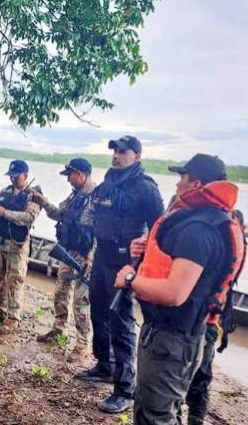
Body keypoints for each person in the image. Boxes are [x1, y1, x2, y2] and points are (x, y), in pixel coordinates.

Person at [116, 153, 245, 424]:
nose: (177, 185)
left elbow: (175, 294)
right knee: (157, 410)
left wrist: (130, 280)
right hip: (172, 335)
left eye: (181, 177)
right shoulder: (206, 221)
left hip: (173, 339)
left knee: (156, 416)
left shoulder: (199, 230)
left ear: (196, 184)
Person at [75, 135, 164, 414]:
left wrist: (141, 263)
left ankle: (125, 389)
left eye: (123, 152)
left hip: (125, 261)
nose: (116, 155)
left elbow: (160, 230)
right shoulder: (107, 183)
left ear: (136, 156)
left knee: (121, 321)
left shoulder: (146, 188)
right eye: (114, 151)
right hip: (102, 255)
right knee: (98, 313)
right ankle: (104, 365)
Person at [182, 209, 246, 425]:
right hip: (191, 318)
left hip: (208, 320)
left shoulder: (231, 249)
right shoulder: (213, 241)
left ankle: (196, 417)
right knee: (184, 374)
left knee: (201, 373)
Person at [30, 158, 95, 361]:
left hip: (85, 256)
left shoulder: (96, 197)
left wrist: (92, 257)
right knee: (60, 293)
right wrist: (44, 202)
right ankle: (58, 331)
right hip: (68, 252)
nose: (68, 180)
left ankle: (83, 345)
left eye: (70, 175)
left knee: (80, 302)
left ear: (81, 174)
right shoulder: (74, 196)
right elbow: (60, 215)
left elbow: (102, 231)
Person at [0, 159, 41, 334]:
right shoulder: (5, 191)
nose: (13, 179)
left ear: (25, 175)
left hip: (17, 244)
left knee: (14, 280)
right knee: (0, 276)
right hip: (0, 241)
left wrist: (4, 213)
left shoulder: (32, 195)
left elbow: (30, 217)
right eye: (11, 176)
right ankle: (1, 310)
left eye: (16, 176)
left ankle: (14, 317)